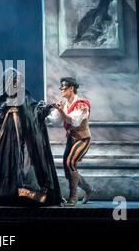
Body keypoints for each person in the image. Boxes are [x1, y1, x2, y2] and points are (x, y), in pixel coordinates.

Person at [0, 68, 62, 206]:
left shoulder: (24, 95)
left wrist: (46, 108)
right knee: (5, 161)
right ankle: (5, 194)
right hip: (5, 135)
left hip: (24, 134)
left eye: (20, 80)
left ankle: (27, 192)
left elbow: (34, 109)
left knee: (25, 160)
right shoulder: (1, 96)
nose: (18, 83)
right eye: (15, 80)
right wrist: (5, 106)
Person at [47, 77, 94, 206]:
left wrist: (61, 110)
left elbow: (73, 121)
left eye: (63, 87)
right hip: (71, 139)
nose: (61, 90)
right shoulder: (64, 103)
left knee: (70, 162)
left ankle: (73, 197)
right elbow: (54, 119)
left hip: (82, 138)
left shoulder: (82, 104)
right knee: (68, 169)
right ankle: (88, 189)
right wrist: (42, 114)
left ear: (71, 88)